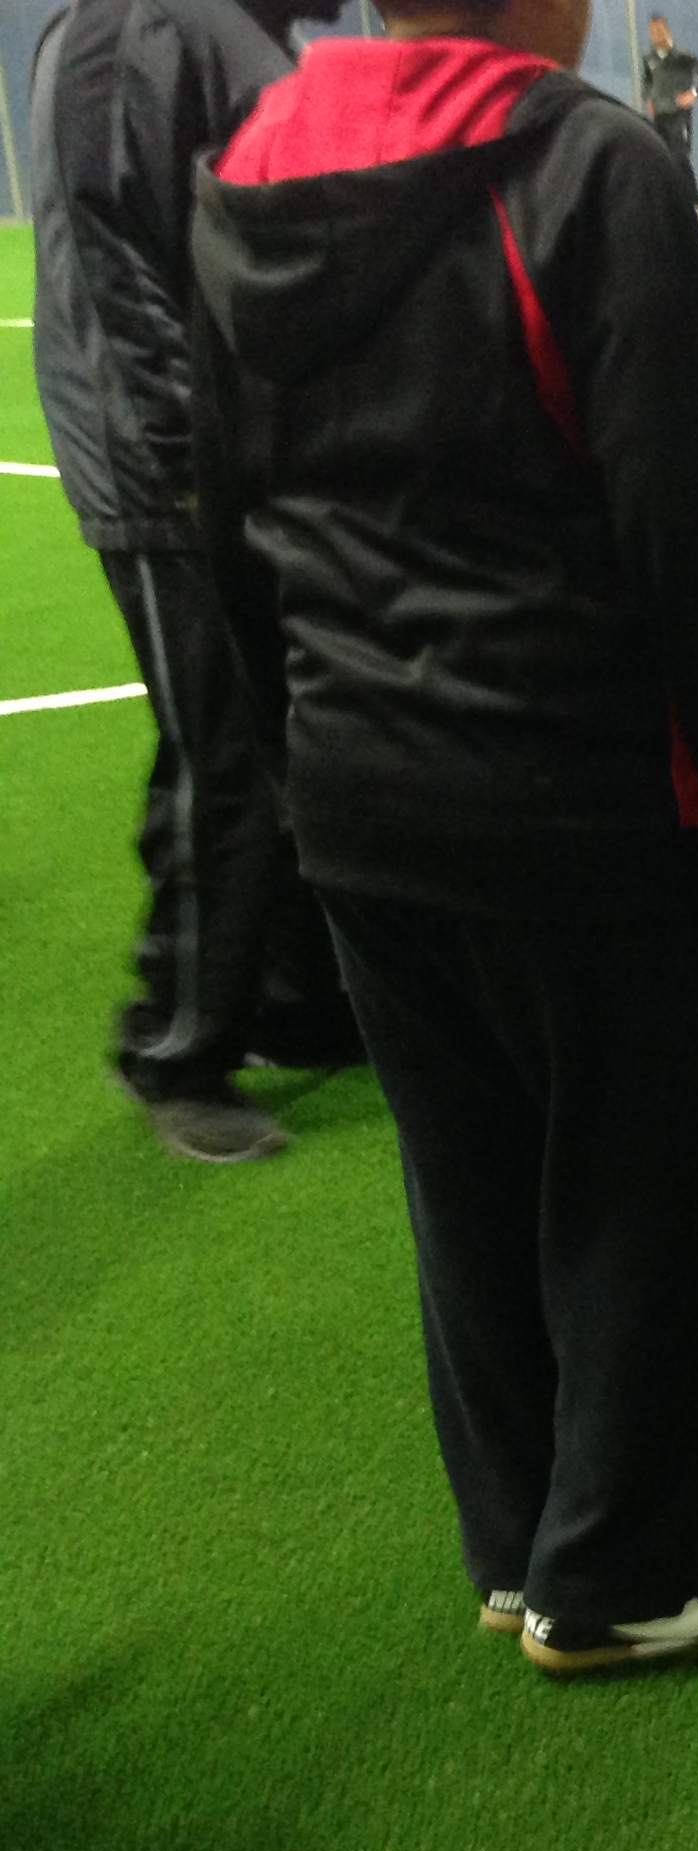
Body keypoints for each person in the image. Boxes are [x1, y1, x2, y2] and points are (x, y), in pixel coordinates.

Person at [191, 0, 698, 1676]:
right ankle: (619, 1576)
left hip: (357, 794)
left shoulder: (251, 167)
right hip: (581, 789)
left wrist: (290, 761)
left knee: (464, 1178)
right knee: (644, 1176)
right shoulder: (587, 166)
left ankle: (520, 1538)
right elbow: (688, 522)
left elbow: (222, 513)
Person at [29, 0, 361, 1165]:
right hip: (167, 470)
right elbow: (111, 261)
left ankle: (293, 1000)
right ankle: (174, 1048)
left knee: (278, 730)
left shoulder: (232, 26)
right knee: (217, 750)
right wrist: (182, 466)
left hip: (241, 453)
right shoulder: (126, 28)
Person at [641, 14, 698, 204]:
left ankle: (693, 204)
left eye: (659, 30)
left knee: (680, 159)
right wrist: (648, 98)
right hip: (659, 116)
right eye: (652, 31)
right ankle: (667, 202)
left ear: (667, 30)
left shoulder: (683, 57)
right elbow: (646, 81)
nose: (655, 34)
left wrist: (693, 93)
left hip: (679, 116)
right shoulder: (649, 58)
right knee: (660, 157)